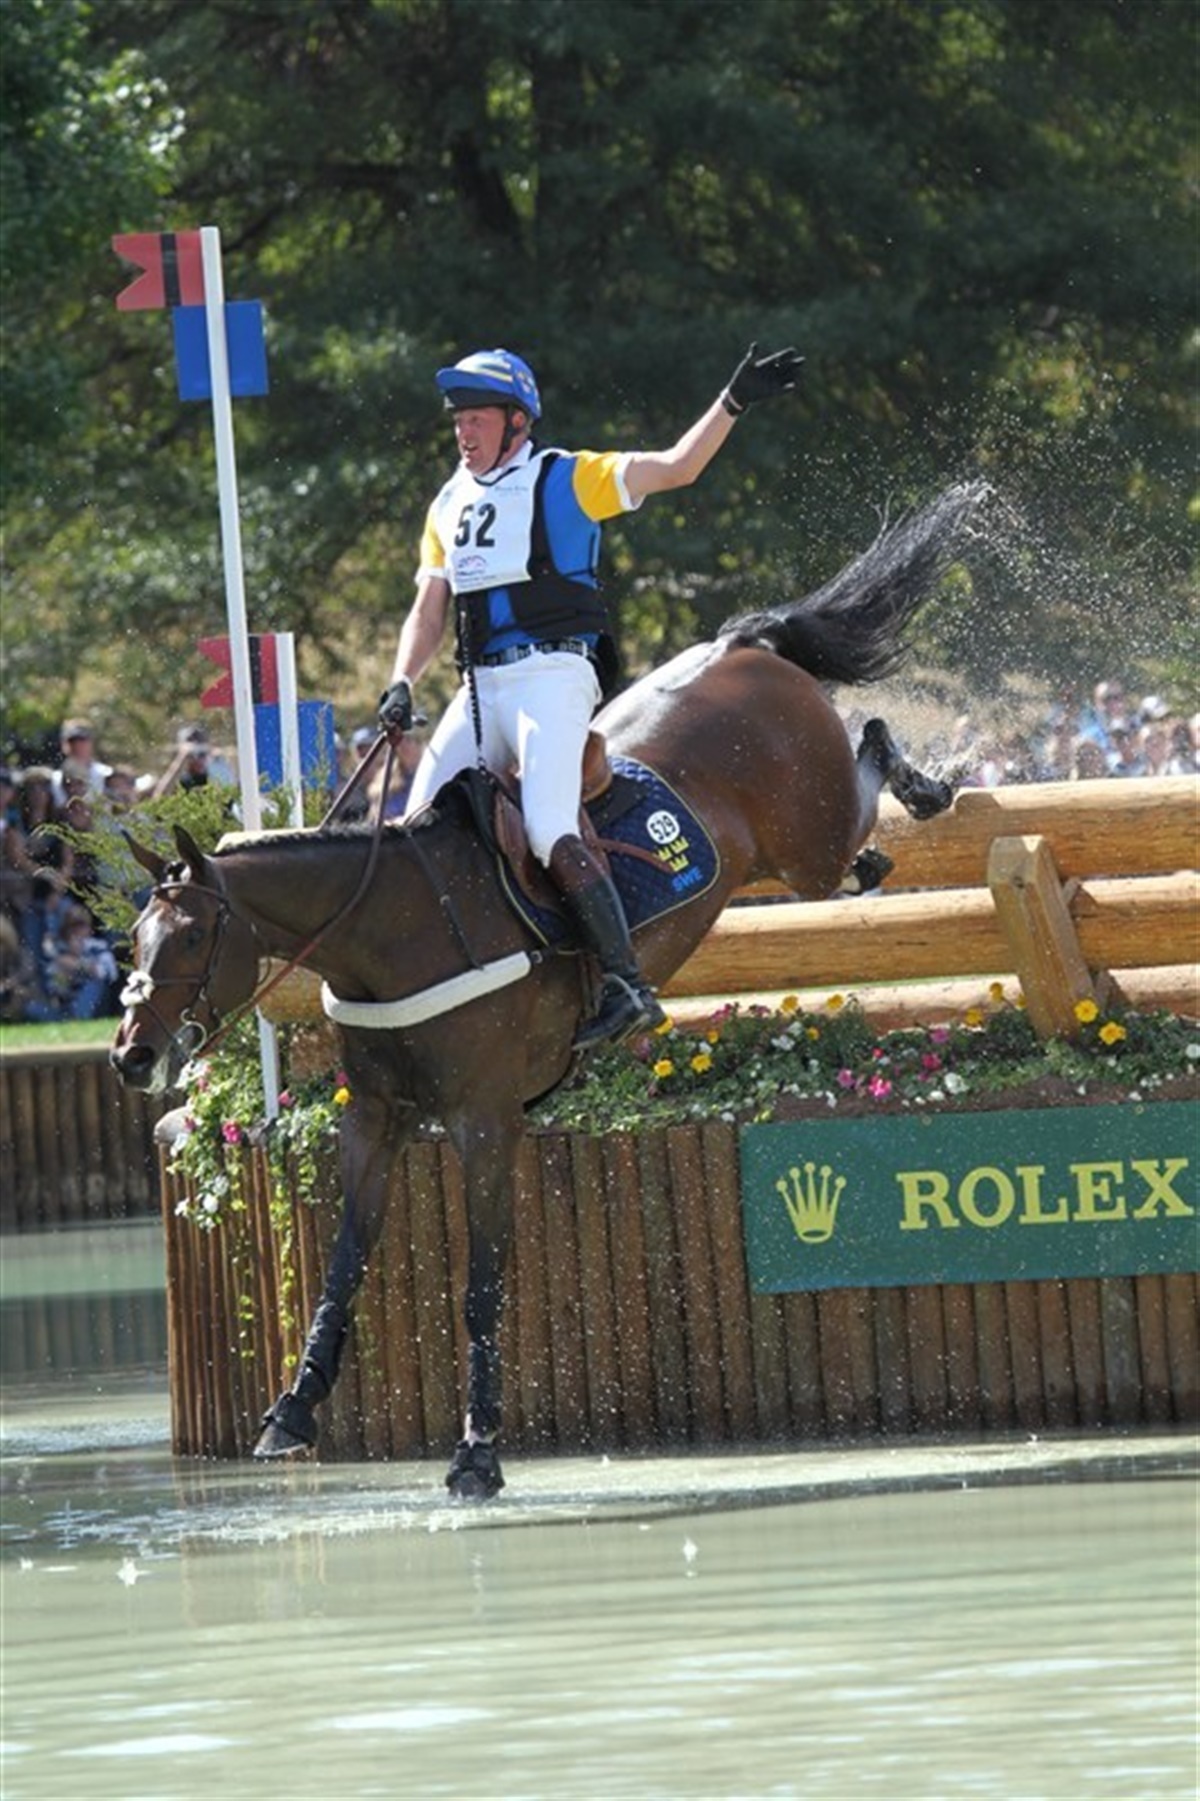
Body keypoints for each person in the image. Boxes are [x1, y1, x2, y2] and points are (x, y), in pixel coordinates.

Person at [378, 342, 804, 1048]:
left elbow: (678, 466)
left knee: (549, 827)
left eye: (477, 417)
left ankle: (625, 982)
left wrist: (733, 401)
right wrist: (401, 680)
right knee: (417, 830)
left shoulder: (568, 477)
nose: (462, 430)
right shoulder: (447, 502)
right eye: (457, 418)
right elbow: (428, 610)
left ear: (517, 422)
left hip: (552, 676)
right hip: (481, 686)